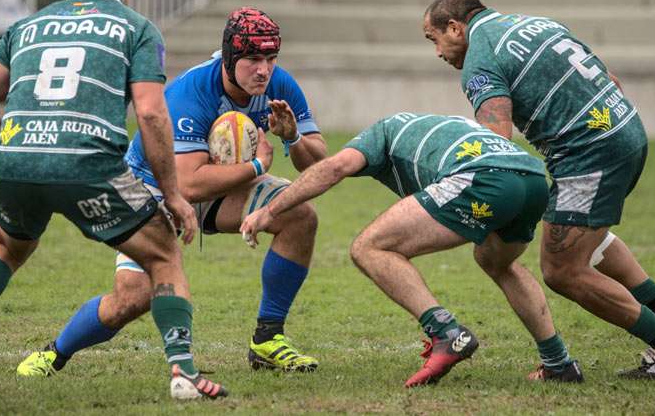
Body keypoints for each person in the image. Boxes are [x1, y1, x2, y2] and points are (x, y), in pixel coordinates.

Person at [0, 0, 228, 400]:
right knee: (163, 255)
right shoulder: (135, 28)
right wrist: (175, 196)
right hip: (87, 161)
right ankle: (183, 374)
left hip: (17, 158)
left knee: (8, 248)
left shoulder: (28, 25)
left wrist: (11, 151)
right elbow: (151, 112)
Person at [16, 6, 328, 377]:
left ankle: (267, 340)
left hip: (218, 185)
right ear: (229, 56)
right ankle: (55, 353)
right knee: (132, 298)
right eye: (253, 59)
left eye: (271, 58)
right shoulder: (191, 92)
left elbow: (317, 163)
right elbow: (188, 184)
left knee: (299, 215)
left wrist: (292, 136)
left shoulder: (279, 85)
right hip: (150, 188)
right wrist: (259, 166)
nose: (263, 69)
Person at [422, 0, 655, 379]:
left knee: (561, 269)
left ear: (455, 27)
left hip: (589, 155)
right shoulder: (536, 23)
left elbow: (497, 138)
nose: (437, 52)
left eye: (433, 39)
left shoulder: (481, 59)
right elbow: (610, 79)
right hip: (626, 129)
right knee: (587, 235)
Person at [242, 112, 584, 386]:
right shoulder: (423, 128)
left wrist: (270, 210)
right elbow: (326, 168)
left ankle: (446, 332)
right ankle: (558, 362)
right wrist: (294, 137)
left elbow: (333, 167)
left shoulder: (382, 132)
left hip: (484, 178)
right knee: (497, 262)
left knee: (369, 247)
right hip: (533, 180)